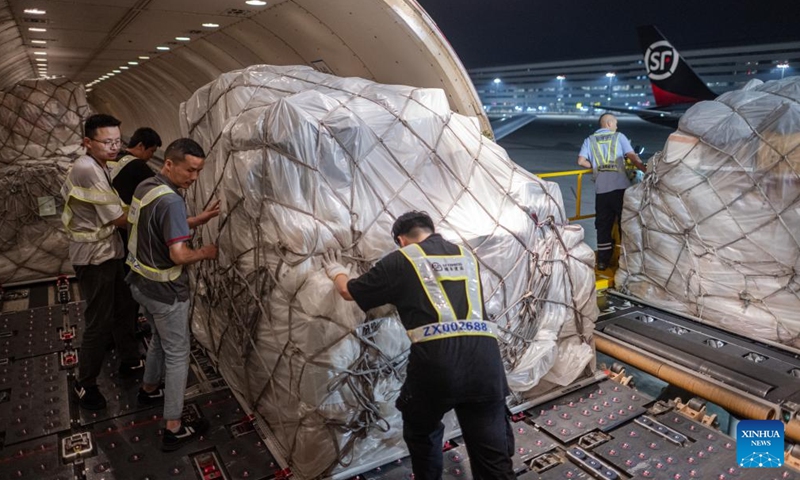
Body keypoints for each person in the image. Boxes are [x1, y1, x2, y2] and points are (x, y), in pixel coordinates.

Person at [322, 211, 515, 480]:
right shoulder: (465, 254)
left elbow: (349, 292)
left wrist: (337, 272)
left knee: (420, 427)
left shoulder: (402, 260)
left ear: (401, 240)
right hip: (486, 361)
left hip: (438, 364)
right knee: (492, 453)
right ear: (431, 230)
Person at [126, 138, 220, 452]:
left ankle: (148, 388)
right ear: (169, 163)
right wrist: (205, 252)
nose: (194, 178)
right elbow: (179, 255)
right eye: (190, 170)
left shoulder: (146, 188)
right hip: (166, 293)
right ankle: (173, 427)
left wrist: (197, 220)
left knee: (158, 339)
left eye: (199, 171)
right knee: (179, 354)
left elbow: (158, 225)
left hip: (140, 285)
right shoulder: (173, 202)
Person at [60, 114, 144, 411]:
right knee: (99, 320)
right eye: (107, 142)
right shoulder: (87, 170)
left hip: (109, 252)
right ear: (87, 142)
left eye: (118, 141)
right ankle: (85, 383)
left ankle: (130, 360)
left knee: (124, 305)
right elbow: (118, 218)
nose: (114, 147)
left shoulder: (100, 165)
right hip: (94, 258)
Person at [577, 113, 646, 271]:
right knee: (625, 225)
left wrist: (595, 166)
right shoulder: (618, 137)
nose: (616, 126)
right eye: (615, 123)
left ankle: (602, 261)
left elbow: (581, 161)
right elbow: (633, 157)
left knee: (603, 226)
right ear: (608, 123)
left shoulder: (590, 140)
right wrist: (645, 169)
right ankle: (626, 261)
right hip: (620, 189)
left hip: (601, 191)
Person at [111, 127, 161, 207]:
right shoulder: (137, 165)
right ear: (140, 146)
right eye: (151, 151)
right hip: (124, 213)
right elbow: (159, 185)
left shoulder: (116, 157)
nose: (152, 156)